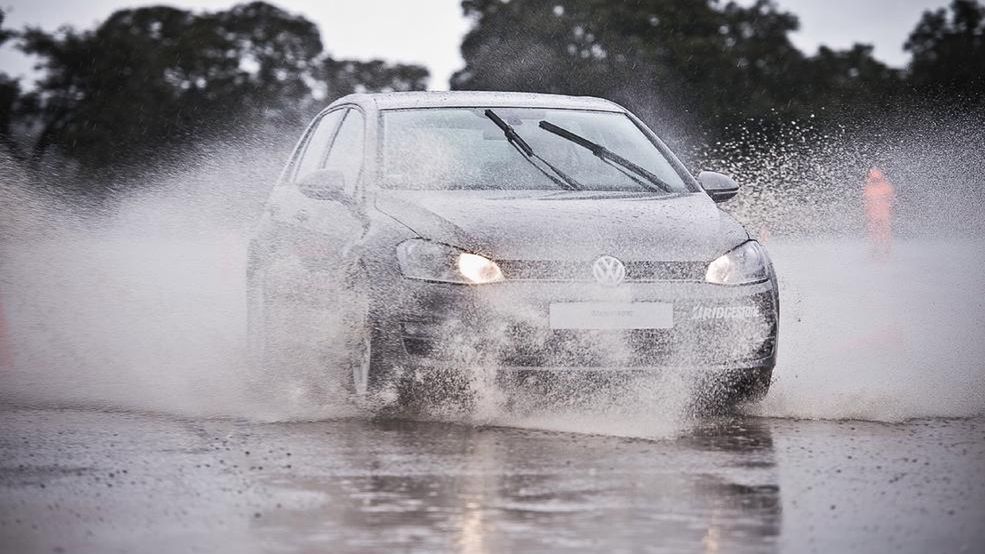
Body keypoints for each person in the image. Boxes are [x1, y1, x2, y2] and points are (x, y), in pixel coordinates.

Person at [863, 167, 894, 259]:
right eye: (873, 177)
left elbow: (892, 200)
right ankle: (875, 250)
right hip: (874, 214)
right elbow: (866, 201)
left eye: (876, 177)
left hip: (883, 214)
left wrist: (890, 210)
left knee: (884, 232)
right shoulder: (868, 187)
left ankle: (886, 251)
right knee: (874, 232)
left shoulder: (886, 187)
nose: (874, 179)